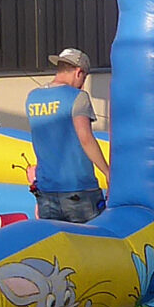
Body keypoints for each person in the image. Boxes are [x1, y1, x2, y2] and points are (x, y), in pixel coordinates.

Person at [24, 47, 108, 222]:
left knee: (56, 238)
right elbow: (85, 138)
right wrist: (107, 172)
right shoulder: (77, 97)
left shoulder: (32, 97)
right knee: (89, 237)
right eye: (84, 77)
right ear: (78, 72)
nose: (83, 83)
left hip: (46, 190)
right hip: (79, 189)